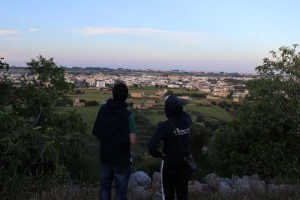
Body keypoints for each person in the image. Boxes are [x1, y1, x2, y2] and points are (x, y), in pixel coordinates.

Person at [92, 82, 137, 200]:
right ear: (126, 96)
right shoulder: (128, 115)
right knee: (121, 191)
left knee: (104, 187)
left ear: (113, 94)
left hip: (105, 156)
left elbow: (97, 131)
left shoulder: (103, 109)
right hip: (121, 158)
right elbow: (132, 140)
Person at [148, 95, 192, 200]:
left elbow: (151, 147)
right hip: (184, 162)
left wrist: (160, 155)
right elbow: (185, 114)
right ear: (180, 108)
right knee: (182, 193)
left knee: (168, 193)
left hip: (169, 163)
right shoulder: (187, 121)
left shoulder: (164, 126)